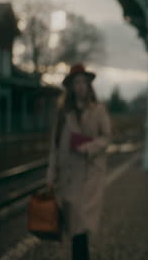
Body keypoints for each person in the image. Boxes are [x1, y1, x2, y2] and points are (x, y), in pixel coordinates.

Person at [46, 63, 112, 260]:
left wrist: (89, 147)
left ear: (89, 85)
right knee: (76, 229)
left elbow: (107, 137)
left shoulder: (98, 109)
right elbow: (54, 146)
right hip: (68, 177)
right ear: (71, 86)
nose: (81, 86)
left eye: (84, 82)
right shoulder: (63, 113)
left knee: (81, 226)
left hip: (91, 175)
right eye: (77, 82)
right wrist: (51, 173)